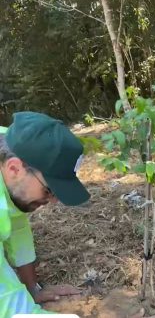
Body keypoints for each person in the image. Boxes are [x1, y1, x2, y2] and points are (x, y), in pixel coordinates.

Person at [0, 111, 89, 315]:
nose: (54, 201)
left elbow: (17, 224)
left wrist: (33, 289)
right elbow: (7, 305)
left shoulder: (10, 143)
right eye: (49, 190)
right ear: (14, 169)